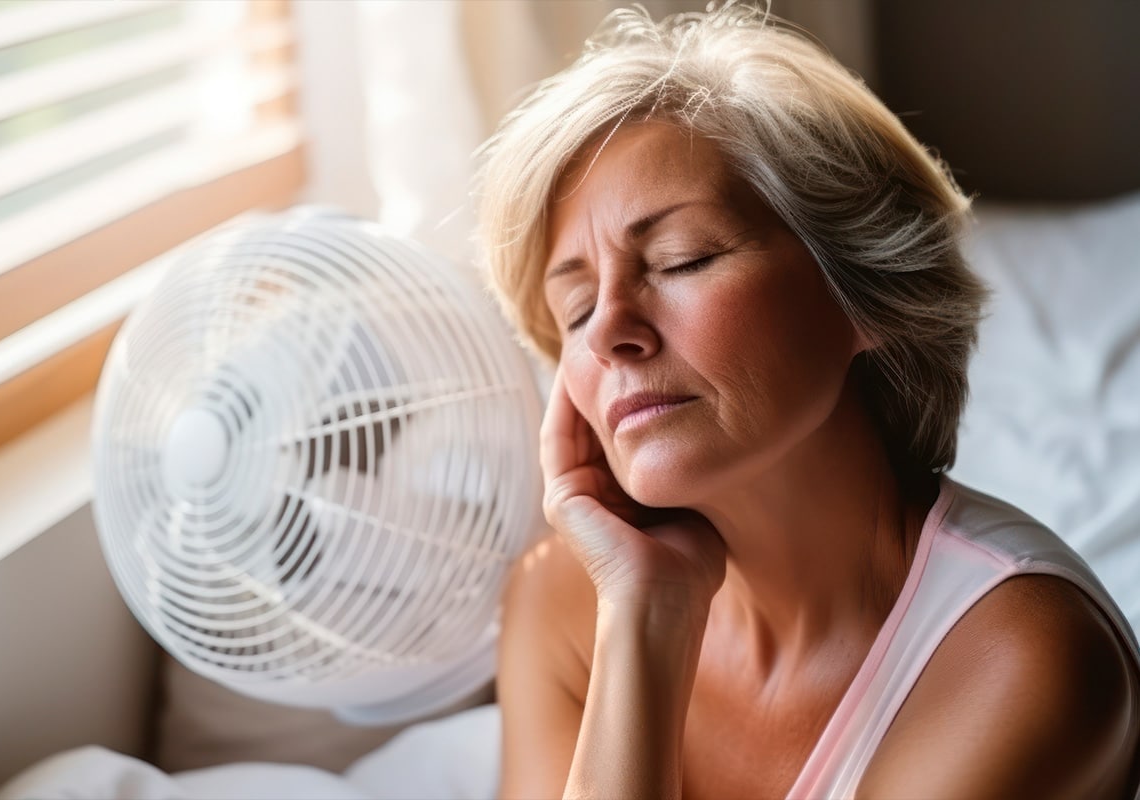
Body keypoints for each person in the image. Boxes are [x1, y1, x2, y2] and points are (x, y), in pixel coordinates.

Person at [472, 4, 1140, 798]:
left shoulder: (1024, 660)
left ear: (861, 292)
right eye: (575, 309)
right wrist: (646, 613)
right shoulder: (567, 598)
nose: (610, 331)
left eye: (683, 261)